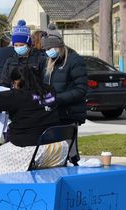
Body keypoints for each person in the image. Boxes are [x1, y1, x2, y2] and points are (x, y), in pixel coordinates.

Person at [0, 65, 68, 176]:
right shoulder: (50, 90)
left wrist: (9, 92)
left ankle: (13, 190)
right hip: (58, 147)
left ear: (17, 81)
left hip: (31, 149)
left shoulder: (19, 95)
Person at [41, 23, 88, 165]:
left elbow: (81, 89)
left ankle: (74, 169)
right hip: (53, 113)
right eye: (46, 49)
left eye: (50, 48)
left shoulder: (74, 61)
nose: (48, 51)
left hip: (69, 113)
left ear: (59, 46)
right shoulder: (50, 62)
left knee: (69, 150)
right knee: (55, 152)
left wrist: (57, 99)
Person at [0, 19, 46, 87]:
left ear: (29, 45)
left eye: (21, 45)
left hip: (32, 95)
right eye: (16, 45)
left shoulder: (39, 59)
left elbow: (44, 80)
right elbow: (4, 82)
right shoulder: (10, 61)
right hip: (15, 95)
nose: (18, 47)